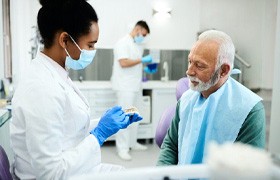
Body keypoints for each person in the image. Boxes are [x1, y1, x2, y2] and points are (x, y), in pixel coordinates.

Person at [10, 0, 143, 179]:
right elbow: (51, 173)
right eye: (90, 45)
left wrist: (103, 124)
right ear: (65, 40)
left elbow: (67, 128)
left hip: (72, 168)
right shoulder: (41, 88)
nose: (93, 51)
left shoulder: (55, 73)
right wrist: (100, 134)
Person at [157, 30, 266, 165]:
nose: (189, 71)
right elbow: (171, 146)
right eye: (190, 61)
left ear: (224, 70)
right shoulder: (186, 99)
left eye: (199, 65)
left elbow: (248, 171)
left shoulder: (249, 110)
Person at [111, 20, 152, 160]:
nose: (143, 37)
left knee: (135, 116)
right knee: (124, 117)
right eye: (144, 34)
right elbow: (123, 63)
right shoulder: (123, 43)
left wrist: (144, 67)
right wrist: (142, 60)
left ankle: (132, 143)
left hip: (135, 86)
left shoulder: (135, 44)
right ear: (138, 29)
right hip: (125, 87)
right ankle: (122, 148)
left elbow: (133, 63)